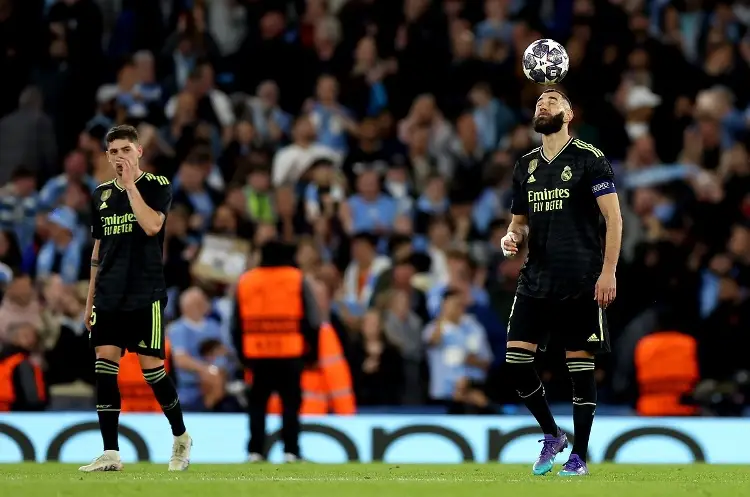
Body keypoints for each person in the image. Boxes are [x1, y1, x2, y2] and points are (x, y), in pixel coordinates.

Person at [501, 89, 622, 477]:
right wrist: (512, 238)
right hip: (536, 278)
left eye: (553, 100)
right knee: (516, 363)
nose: (543, 104)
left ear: (569, 113)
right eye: (540, 102)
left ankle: (580, 457)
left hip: (581, 280)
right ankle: (553, 434)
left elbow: (614, 219)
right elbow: (519, 223)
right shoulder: (525, 166)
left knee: (579, 368)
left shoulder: (589, 157)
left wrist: (608, 271)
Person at [79, 125, 192, 473]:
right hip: (109, 293)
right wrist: (90, 297)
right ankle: (111, 452)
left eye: (125, 150)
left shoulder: (157, 186)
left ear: (139, 151)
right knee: (104, 368)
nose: (119, 158)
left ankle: (181, 438)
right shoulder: (99, 195)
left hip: (145, 293)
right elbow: (99, 248)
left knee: (152, 371)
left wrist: (130, 187)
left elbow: (153, 226)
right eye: (113, 152)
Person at [232, 240, 321, 463]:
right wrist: (312, 351)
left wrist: (242, 354)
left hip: (257, 353)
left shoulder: (247, 280)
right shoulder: (296, 278)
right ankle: (291, 451)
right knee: (290, 404)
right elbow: (312, 319)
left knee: (257, 404)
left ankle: (255, 451)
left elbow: (235, 323)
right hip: (289, 352)